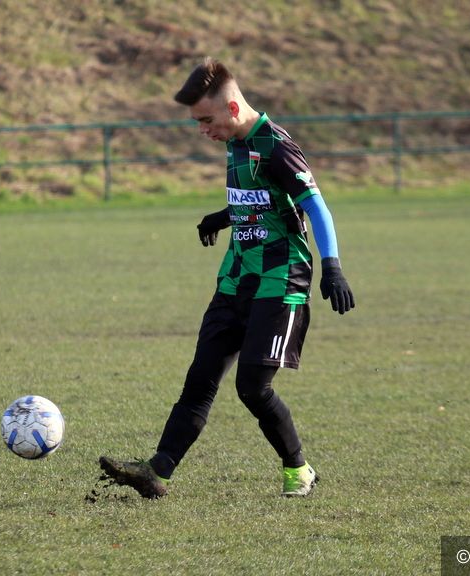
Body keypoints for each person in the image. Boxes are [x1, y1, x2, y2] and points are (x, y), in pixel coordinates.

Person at [100, 58, 354, 498]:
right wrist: (224, 216)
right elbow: (262, 197)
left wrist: (331, 265)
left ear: (233, 108)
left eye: (206, 120)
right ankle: (156, 473)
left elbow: (315, 206)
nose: (203, 130)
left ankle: (299, 469)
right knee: (199, 379)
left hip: (279, 281)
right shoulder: (235, 142)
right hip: (236, 279)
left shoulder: (276, 146)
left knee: (252, 388)